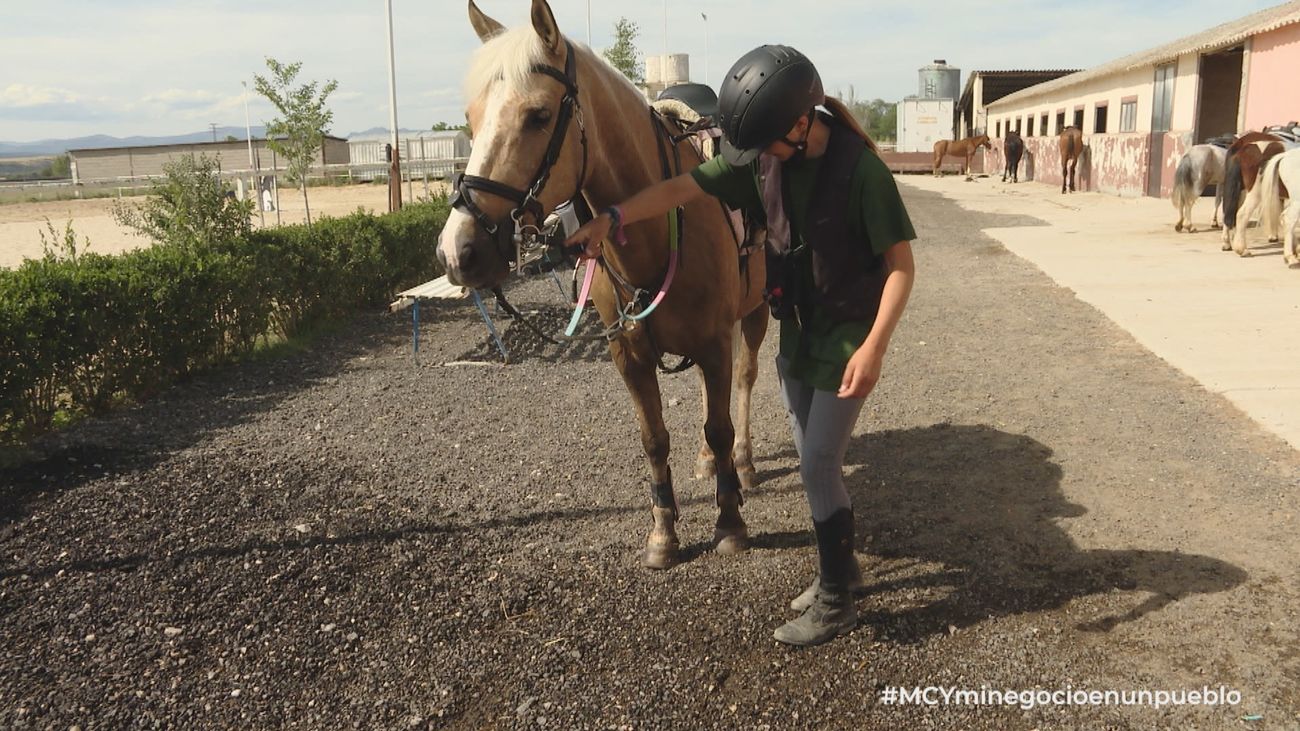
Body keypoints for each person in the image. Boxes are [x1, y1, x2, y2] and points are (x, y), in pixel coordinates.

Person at [566, 45, 916, 646]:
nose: (759, 157)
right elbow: (679, 189)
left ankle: (834, 600)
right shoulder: (763, 161)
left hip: (846, 337)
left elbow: (902, 267)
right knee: (815, 463)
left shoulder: (862, 172)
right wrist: (613, 218)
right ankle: (844, 569)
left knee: (817, 463)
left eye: (769, 143)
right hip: (800, 333)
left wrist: (875, 348)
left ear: (802, 124)